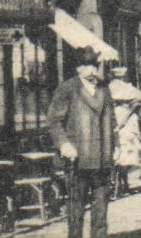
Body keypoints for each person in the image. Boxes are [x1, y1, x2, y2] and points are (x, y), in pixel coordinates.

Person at [47, 47, 116, 238]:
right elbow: (53, 121)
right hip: (78, 160)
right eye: (86, 65)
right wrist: (64, 144)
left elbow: (112, 121)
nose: (92, 70)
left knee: (101, 209)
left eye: (94, 65)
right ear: (78, 68)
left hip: (103, 158)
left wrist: (116, 146)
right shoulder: (67, 88)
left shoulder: (104, 88)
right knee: (76, 209)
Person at [107, 66, 141, 197]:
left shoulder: (114, 87)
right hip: (121, 118)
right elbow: (139, 98)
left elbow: (137, 100)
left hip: (122, 119)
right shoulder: (121, 88)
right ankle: (120, 181)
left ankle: (122, 181)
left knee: (124, 150)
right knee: (122, 149)